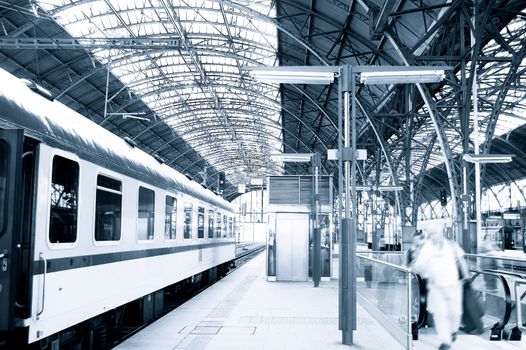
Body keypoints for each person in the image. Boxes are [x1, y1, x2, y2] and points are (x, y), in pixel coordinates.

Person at [409, 227, 465, 350]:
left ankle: (453, 330)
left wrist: (466, 276)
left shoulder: (451, 245)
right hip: (436, 286)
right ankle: (445, 340)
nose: (434, 236)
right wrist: (426, 272)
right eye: (432, 234)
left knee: (455, 312)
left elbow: (461, 259)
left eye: (436, 233)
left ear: (441, 233)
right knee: (440, 313)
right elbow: (419, 266)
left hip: (453, 284)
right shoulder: (427, 248)